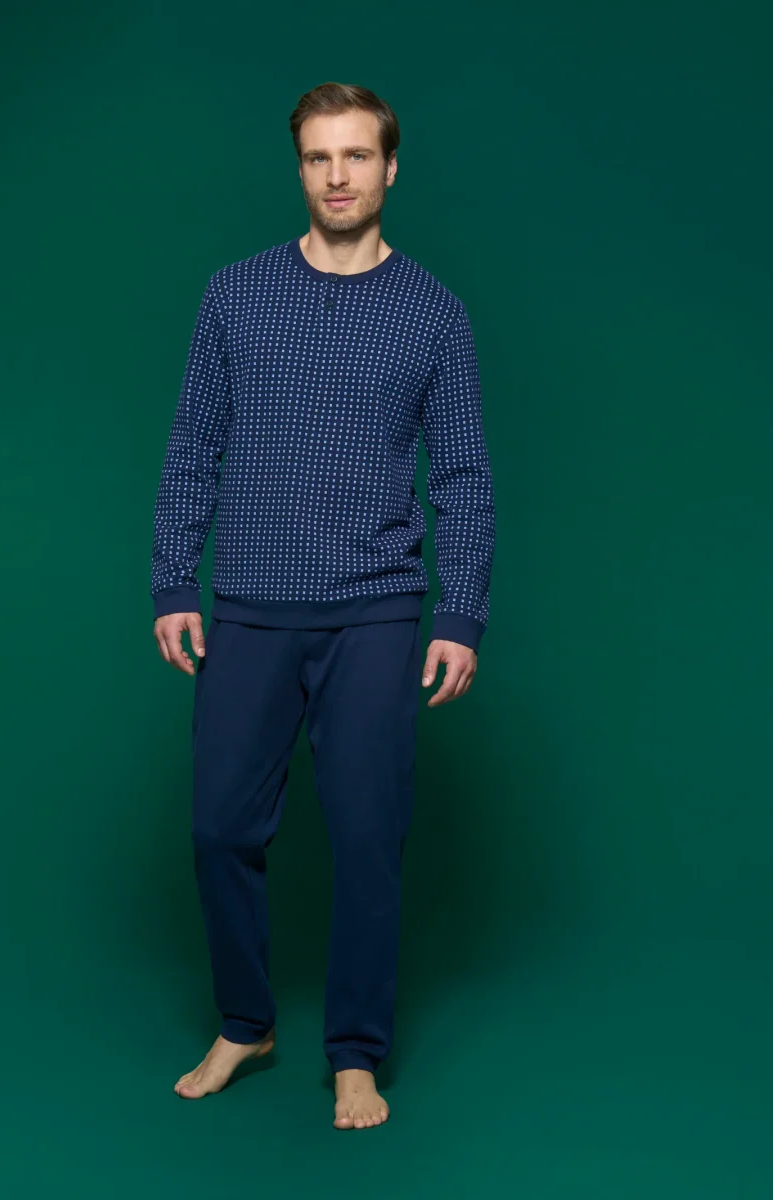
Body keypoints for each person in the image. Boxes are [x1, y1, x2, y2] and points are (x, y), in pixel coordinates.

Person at [151, 81, 496, 1130]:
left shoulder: (435, 312)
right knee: (218, 827)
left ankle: (355, 1053)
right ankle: (244, 1021)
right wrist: (174, 578)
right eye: (317, 157)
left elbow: (464, 475)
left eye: (355, 156)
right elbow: (193, 444)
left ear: (390, 167)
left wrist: (460, 613)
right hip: (250, 606)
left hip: (376, 614)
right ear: (299, 169)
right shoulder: (233, 295)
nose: (337, 176)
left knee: (367, 839)